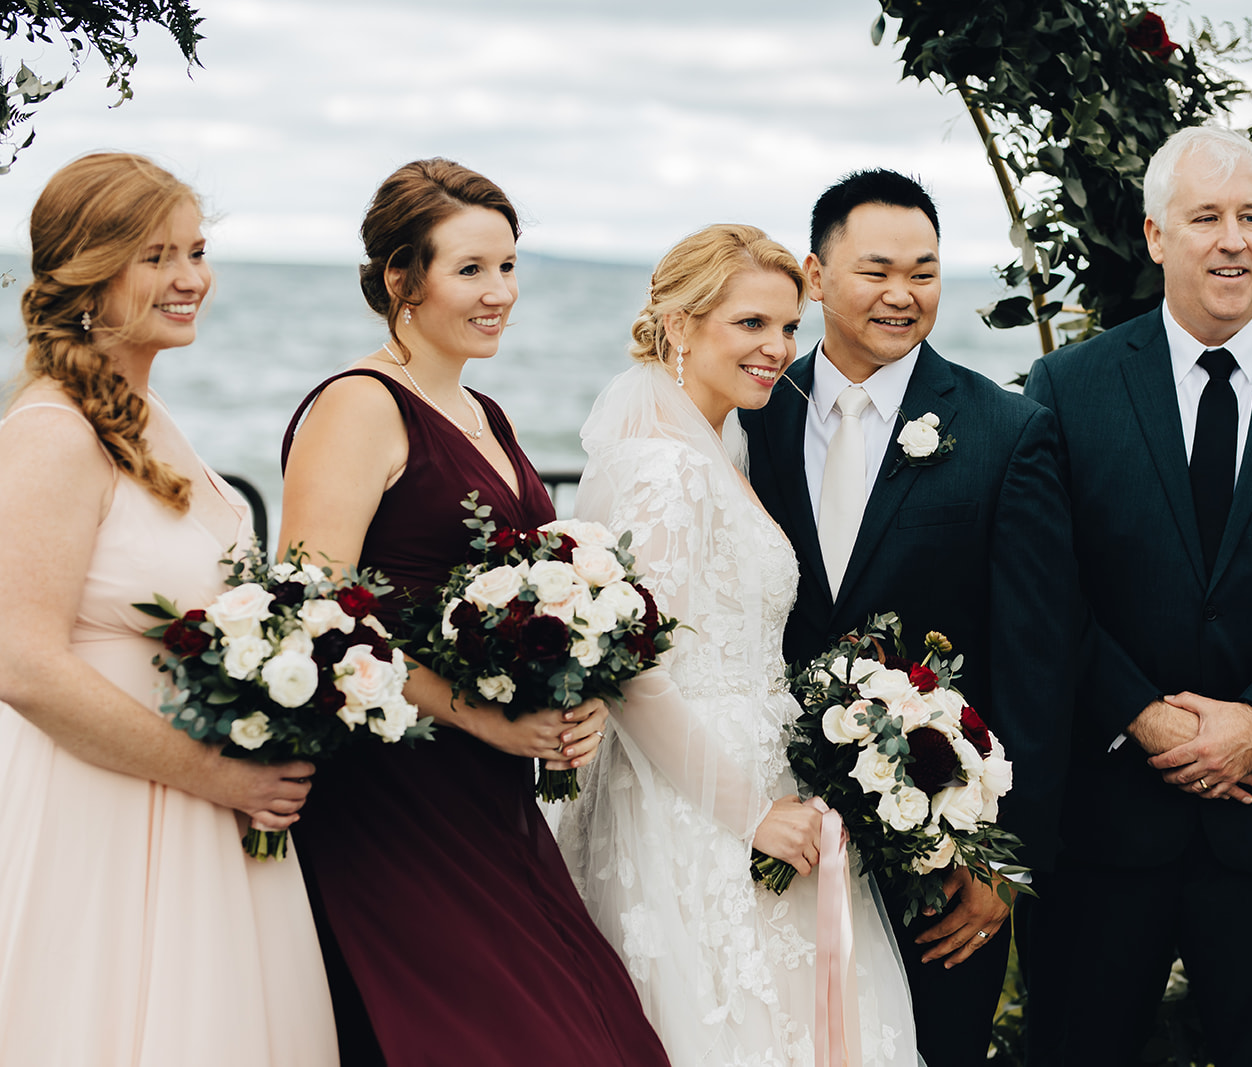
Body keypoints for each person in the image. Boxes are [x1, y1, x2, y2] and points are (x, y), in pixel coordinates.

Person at [1021, 125, 1252, 1066]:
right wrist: (1139, 714)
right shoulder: (1069, 388)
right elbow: (1044, 587)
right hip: (1108, 826)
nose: (1233, 239)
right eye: (1206, 217)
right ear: (1155, 235)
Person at [278, 158, 668, 1067]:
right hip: (392, 790)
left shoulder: (483, 408)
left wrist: (579, 687)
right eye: (471, 270)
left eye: (509, 265)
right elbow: (314, 617)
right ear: (399, 279)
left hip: (492, 794)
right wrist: (482, 717)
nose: (501, 293)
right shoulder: (357, 404)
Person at [738, 170, 1084, 1066]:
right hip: (768, 828)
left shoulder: (1008, 432)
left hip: (937, 857)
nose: (903, 294)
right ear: (816, 276)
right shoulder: (746, 415)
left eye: (925, 272)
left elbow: (1037, 663)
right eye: (877, 269)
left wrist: (1004, 865)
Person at [0, 152, 337, 1064]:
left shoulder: (146, 418)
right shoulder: (53, 435)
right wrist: (222, 778)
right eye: (156, 257)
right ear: (85, 272)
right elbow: (21, 666)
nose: (192, 278)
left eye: (195, 250)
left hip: (194, 811)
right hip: (103, 818)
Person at [558, 222, 920, 1065]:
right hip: (701, 805)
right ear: (681, 325)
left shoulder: (717, 444)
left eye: (789, 326)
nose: (778, 348)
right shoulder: (668, 469)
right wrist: (751, 813)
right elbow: (635, 671)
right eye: (750, 324)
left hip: (754, 775)